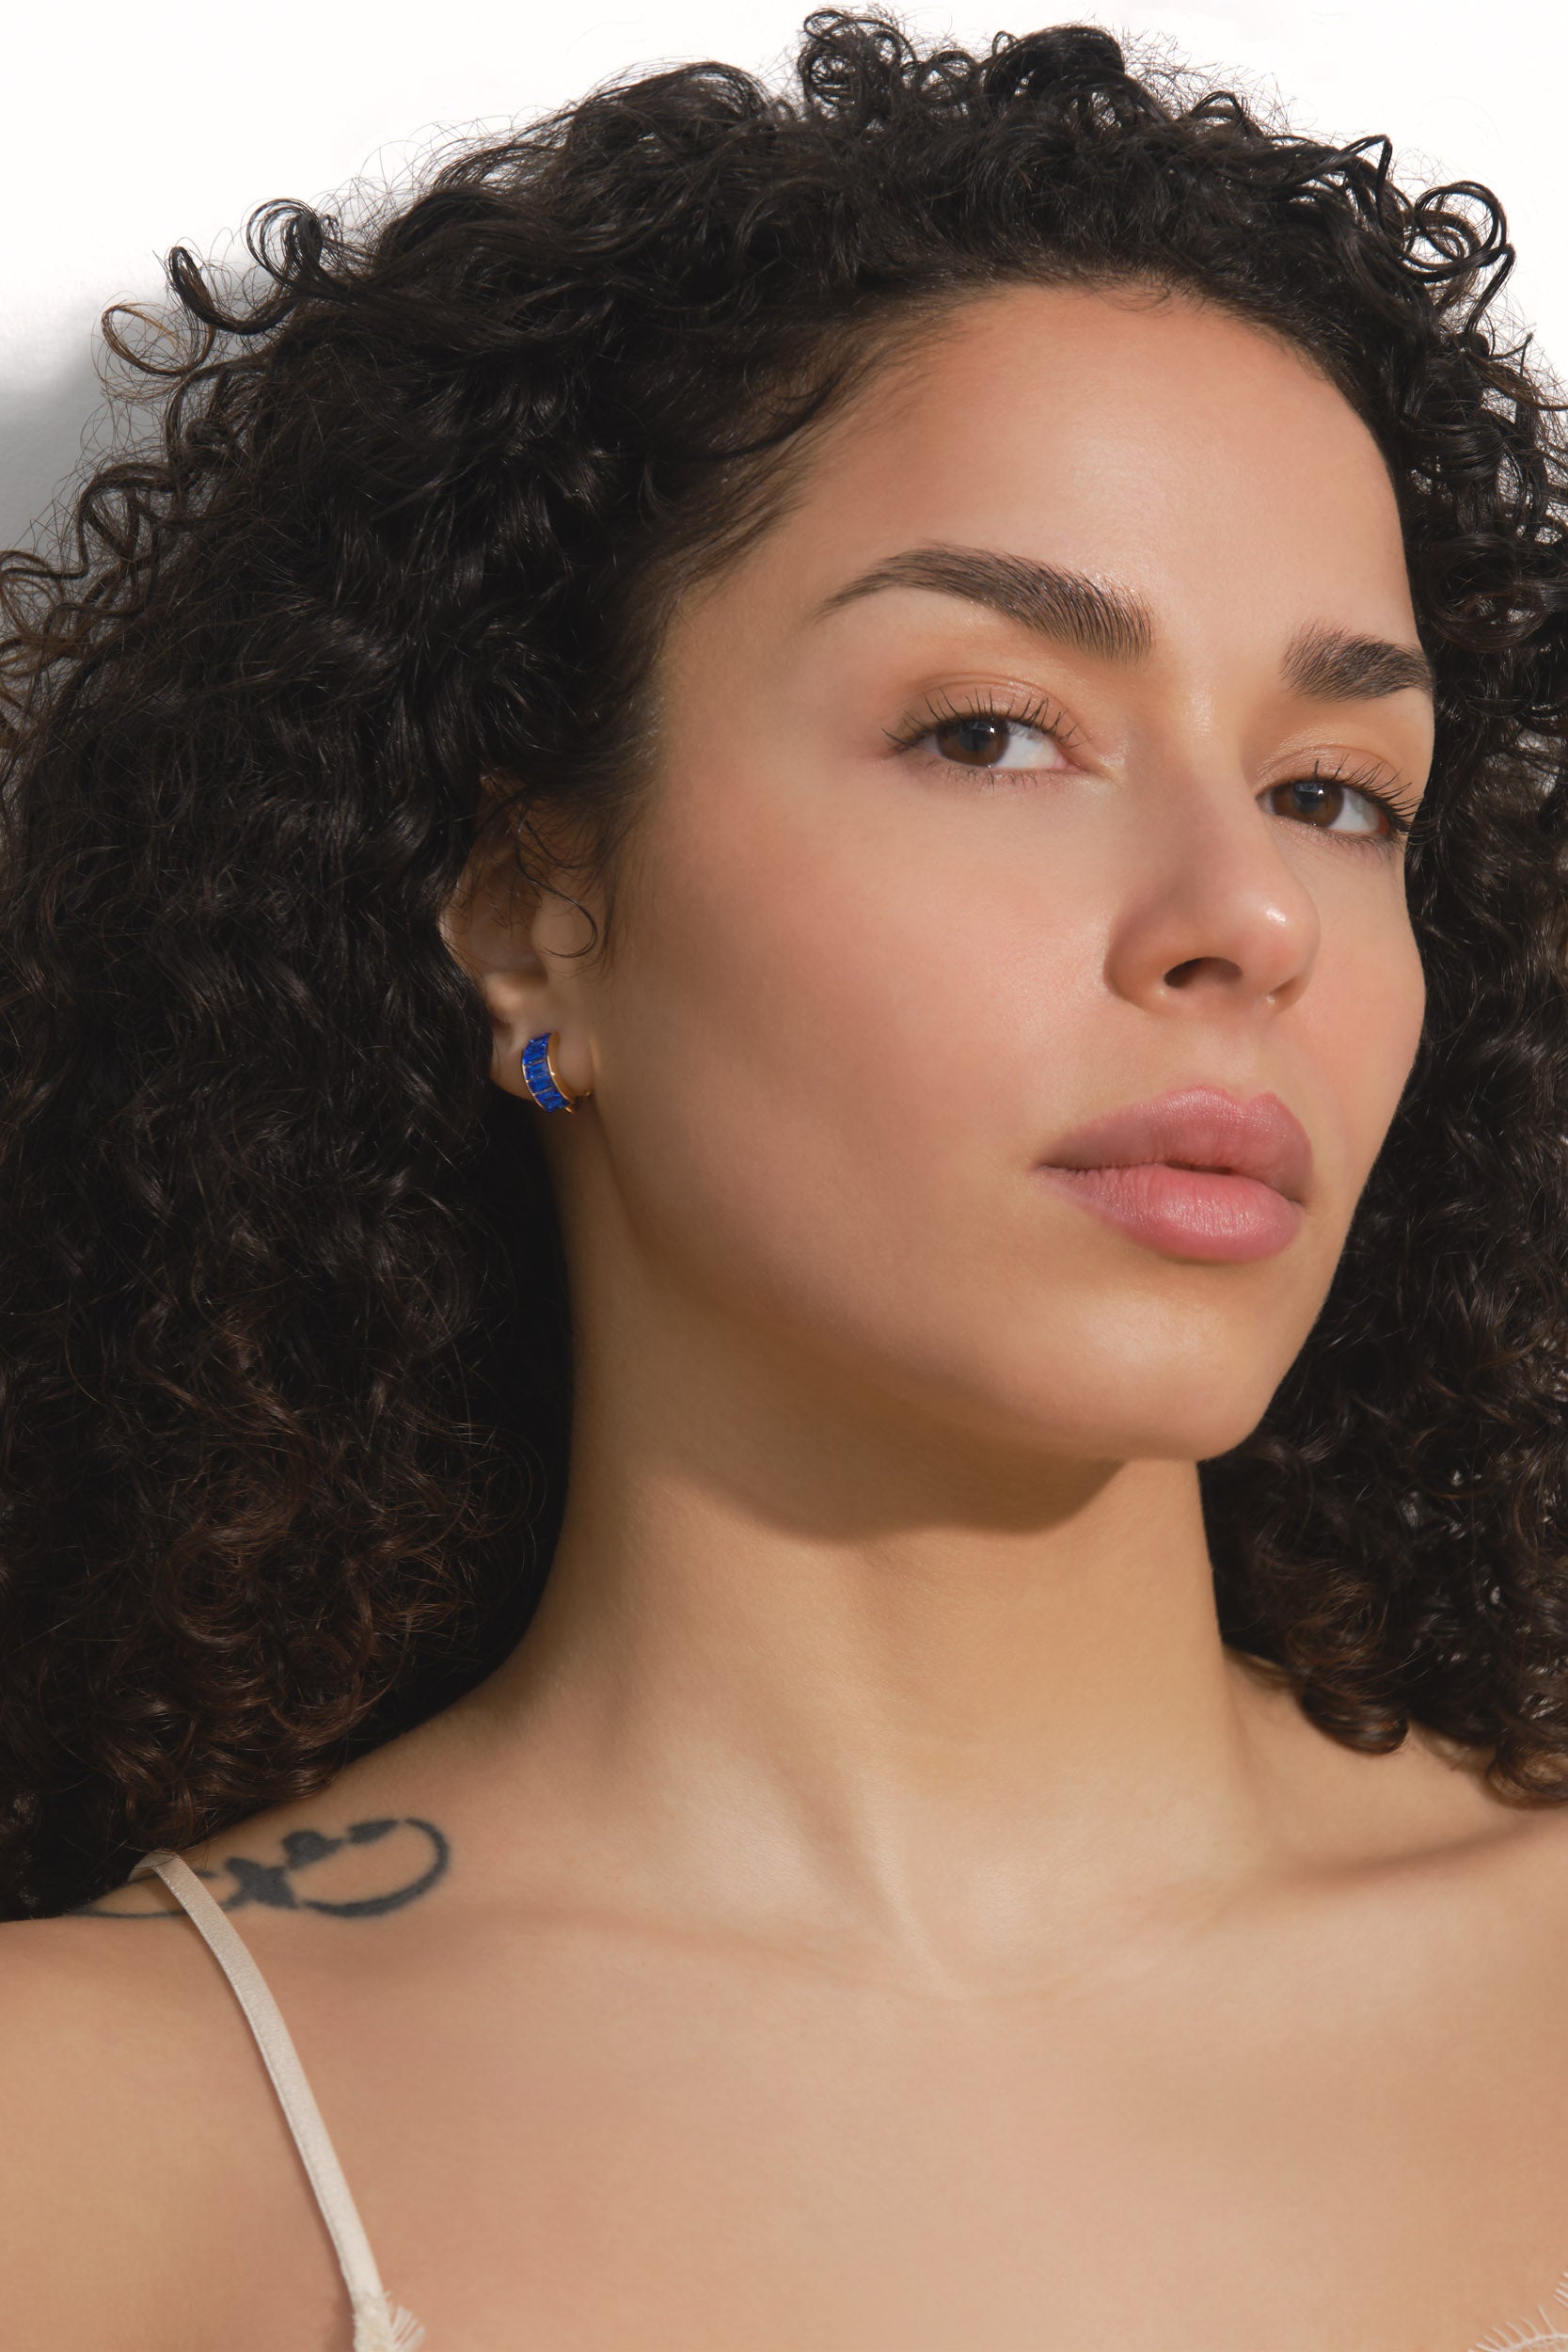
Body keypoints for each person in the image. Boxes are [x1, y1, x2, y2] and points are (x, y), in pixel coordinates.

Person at [2, 10, 1567, 2347]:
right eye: (992, 730)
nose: (1244, 910)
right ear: (536, 911)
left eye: (1341, 787)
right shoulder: (98, 2143)